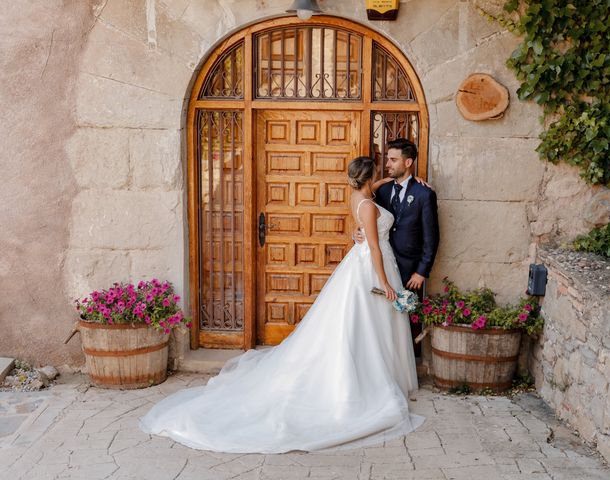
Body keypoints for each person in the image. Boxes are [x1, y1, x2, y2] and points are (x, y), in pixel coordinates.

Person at [139, 156, 424, 453]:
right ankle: (361, 380)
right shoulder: (366, 205)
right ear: (370, 176)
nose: (383, 173)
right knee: (363, 323)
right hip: (370, 268)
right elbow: (374, 246)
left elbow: (371, 199)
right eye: (378, 172)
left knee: (369, 324)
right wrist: (386, 284)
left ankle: (380, 372)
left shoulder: (360, 195)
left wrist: (398, 181)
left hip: (367, 263)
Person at [355, 138, 439, 357]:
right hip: (380, 265)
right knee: (377, 320)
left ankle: (401, 366)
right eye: (387, 159)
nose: (388, 164)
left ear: (408, 162)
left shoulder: (424, 194)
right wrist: (355, 232)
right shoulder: (380, 192)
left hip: (409, 269)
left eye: (393, 160)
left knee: (403, 324)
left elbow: (432, 237)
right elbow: (363, 215)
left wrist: (422, 271)